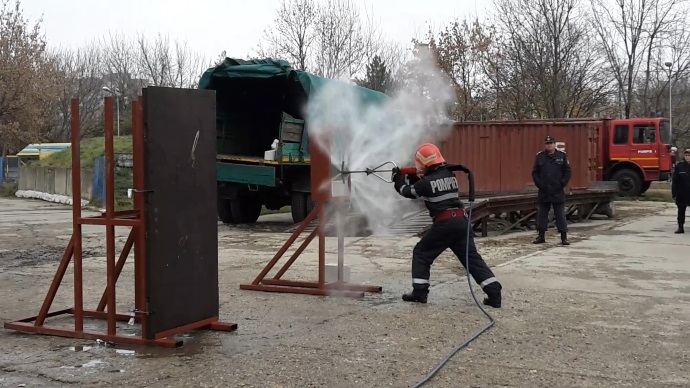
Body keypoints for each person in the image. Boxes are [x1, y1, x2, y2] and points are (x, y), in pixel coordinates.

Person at [391, 143, 502, 308]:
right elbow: (427, 185)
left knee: (421, 252)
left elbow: (407, 192)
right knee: (471, 258)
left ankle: (419, 292)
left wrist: (398, 179)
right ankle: (493, 291)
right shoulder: (450, 175)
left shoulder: (426, 182)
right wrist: (414, 176)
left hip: (445, 224)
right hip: (462, 222)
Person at [531, 135, 572, 245]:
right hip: (544, 191)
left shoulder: (562, 156)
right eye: (547, 143)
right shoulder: (540, 157)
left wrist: (562, 184)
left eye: (551, 143)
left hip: (557, 191)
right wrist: (540, 184)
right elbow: (535, 173)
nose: (549, 145)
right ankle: (541, 236)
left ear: (554, 144)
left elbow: (567, 172)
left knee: (560, 215)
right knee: (542, 216)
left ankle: (564, 237)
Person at [671, 148, 690, 234]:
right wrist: (674, 193)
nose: (687, 157)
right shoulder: (679, 166)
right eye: (686, 155)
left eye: (689, 155)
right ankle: (680, 227)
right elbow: (675, 181)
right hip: (681, 193)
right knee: (681, 212)